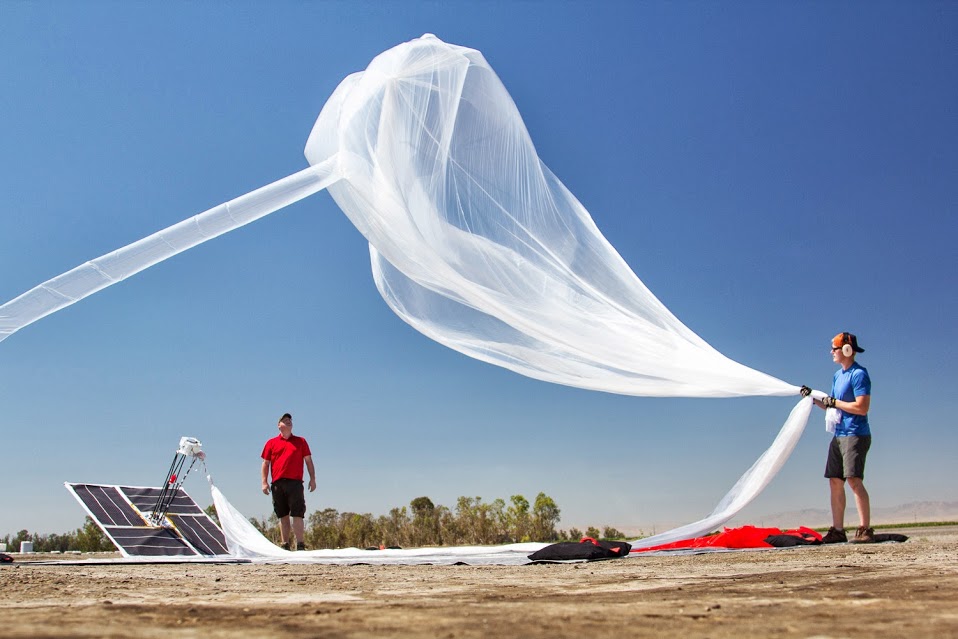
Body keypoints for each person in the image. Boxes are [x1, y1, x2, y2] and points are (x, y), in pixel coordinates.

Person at [800, 332, 874, 544]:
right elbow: (832, 405)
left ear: (847, 350)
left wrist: (834, 402)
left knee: (853, 480)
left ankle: (865, 529)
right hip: (839, 434)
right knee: (835, 480)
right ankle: (838, 530)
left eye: (834, 348)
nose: (831, 352)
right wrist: (813, 399)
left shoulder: (859, 374)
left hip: (855, 434)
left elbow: (862, 407)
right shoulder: (837, 376)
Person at [261, 413, 316, 551]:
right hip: (278, 484)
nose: (288, 422)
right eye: (285, 421)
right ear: (279, 425)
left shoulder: (301, 441)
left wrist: (312, 478)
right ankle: (284, 544)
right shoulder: (271, 443)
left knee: (297, 513)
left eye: (290, 420)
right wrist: (264, 482)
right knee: (282, 515)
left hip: (295, 483)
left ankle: (301, 544)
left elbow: (308, 461)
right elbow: (265, 463)